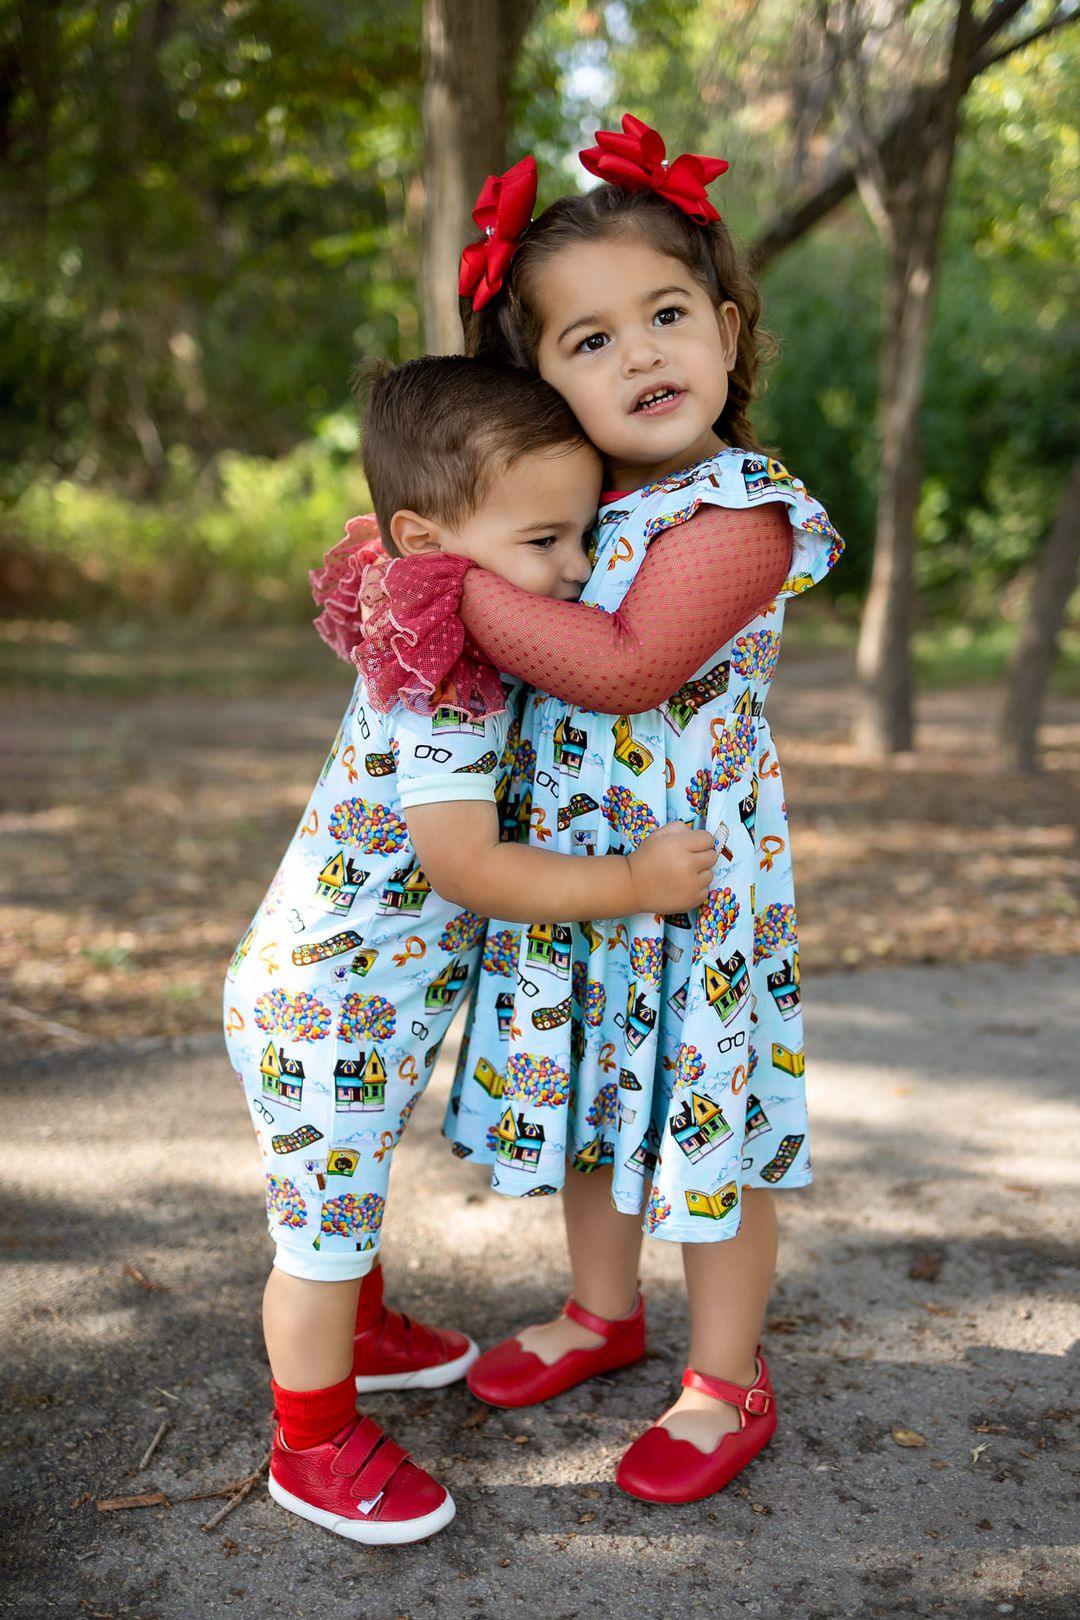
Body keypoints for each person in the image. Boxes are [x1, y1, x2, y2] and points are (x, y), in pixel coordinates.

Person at [372, 118, 845, 1504]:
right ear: (537, 383)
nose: (639, 353)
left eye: (665, 314)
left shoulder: (743, 513)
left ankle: (723, 1376)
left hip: (689, 884)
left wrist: (443, 583)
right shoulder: (559, 509)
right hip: (582, 876)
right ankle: (597, 1310)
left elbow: (629, 668)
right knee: (593, 1102)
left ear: (728, 327)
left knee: (707, 1123)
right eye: (588, 341)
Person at [222, 353, 719, 1545]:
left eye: (584, 534)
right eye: (543, 541)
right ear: (421, 534)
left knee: (348, 1194)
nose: (575, 567)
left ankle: (367, 1333)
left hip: (360, 1002)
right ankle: (314, 1441)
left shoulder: (437, 634)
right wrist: (632, 885)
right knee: (319, 1235)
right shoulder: (444, 689)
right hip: (326, 1010)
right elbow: (467, 867)